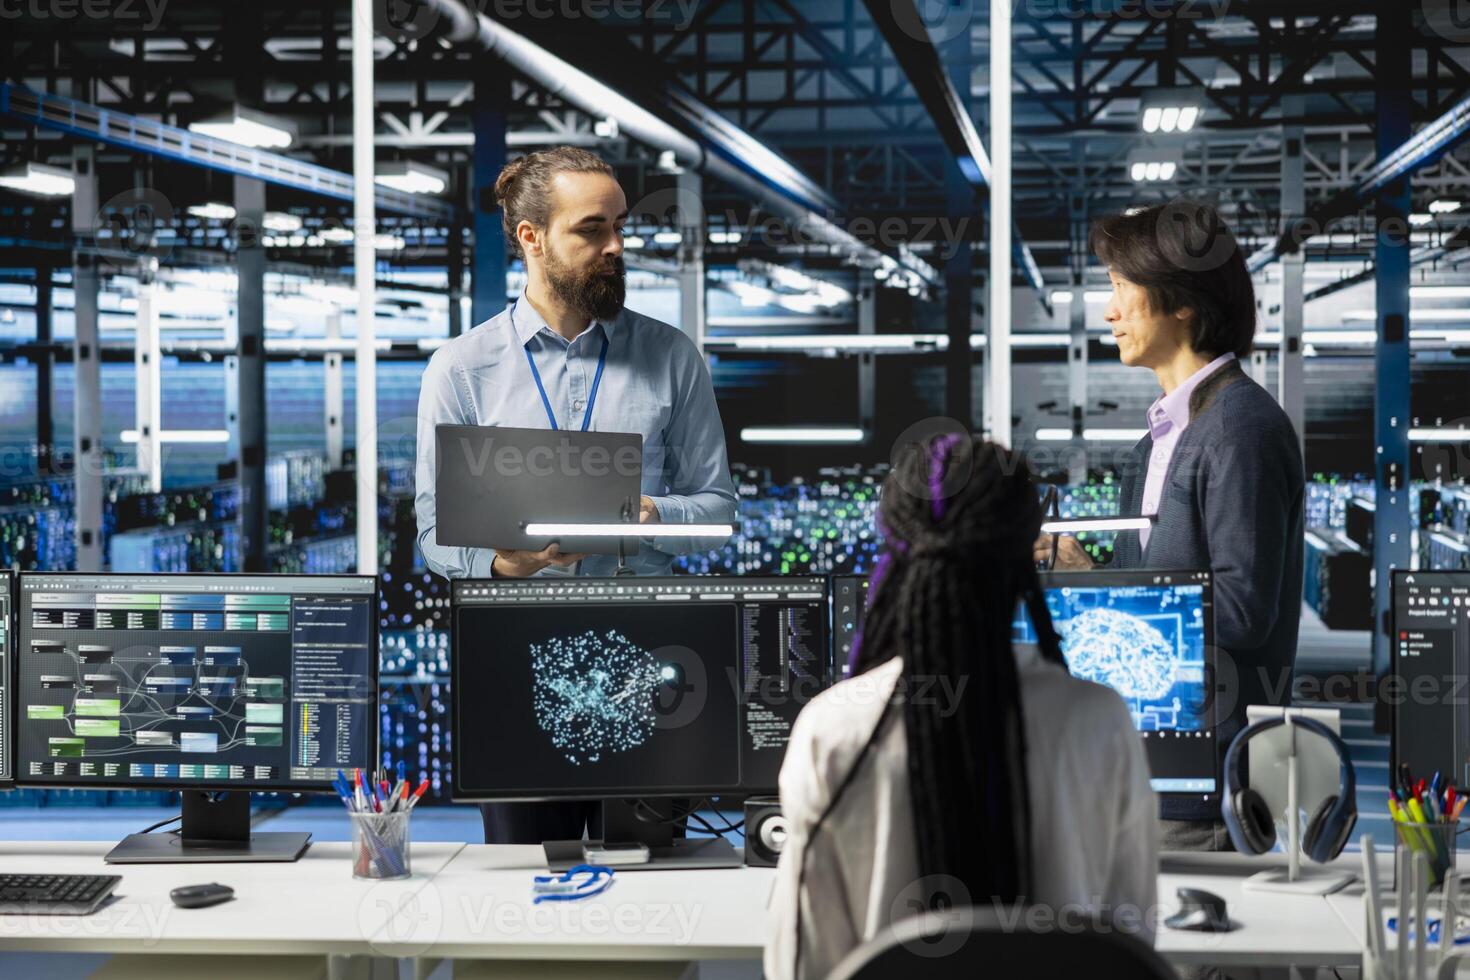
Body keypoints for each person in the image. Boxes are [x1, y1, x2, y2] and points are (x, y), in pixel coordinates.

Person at [413, 146, 737, 844]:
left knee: (652, 880)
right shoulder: (462, 370)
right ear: (531, 237)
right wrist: (502, 566)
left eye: (621, 226)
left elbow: (718, 513)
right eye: (592, 229)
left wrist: (653, 515)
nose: (615, 246)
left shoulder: (671, 358)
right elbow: (432, 532)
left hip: (647, 655)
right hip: (515, 654)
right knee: (527, 881)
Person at [767, 434, 1157, 980]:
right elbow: (1130, 946)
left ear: (895, 549)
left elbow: (802, 967)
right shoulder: (1099, 722)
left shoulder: (832, 729)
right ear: (1027, 554)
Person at [1037, 200, 1305, 848]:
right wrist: (1083, 579)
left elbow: (1242, 612)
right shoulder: (1158, 440)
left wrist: (1101, 585)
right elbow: (1160, 590)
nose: (1109, 312)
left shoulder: (1239, 429)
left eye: (1122, 289)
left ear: (1182, 300)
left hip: (1210, 788)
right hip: (1151, 770)